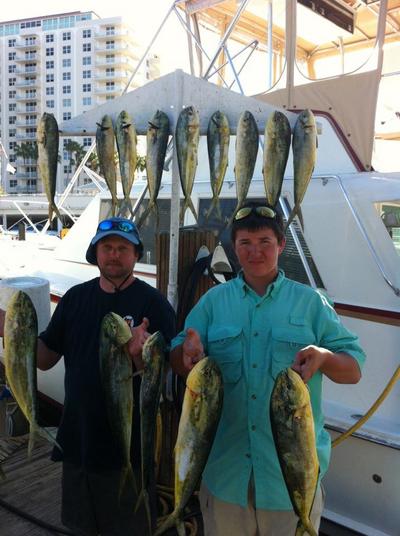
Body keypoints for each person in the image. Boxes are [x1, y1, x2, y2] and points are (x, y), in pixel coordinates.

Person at [170, 202, 366, 536]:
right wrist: (184, 354)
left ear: (281, 245)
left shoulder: (312, 303)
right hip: (225, 476)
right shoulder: (214, 302)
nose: (254, 252)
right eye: (245, 243)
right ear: (234, 247)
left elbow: (353, 369)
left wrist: (325, 357)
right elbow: (178, 355)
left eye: (264, 242)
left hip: (291, 482)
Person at [0, 216, 176, 536]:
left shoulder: (154, 304)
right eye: (106, 247)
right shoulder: (74, 298)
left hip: (130, 449)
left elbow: (164, 375)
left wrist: (140, 355)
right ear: (94, 253)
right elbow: (44, 359)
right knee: (80, 528)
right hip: (78, 441)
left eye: (123, 248)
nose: (114, 254)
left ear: (137, 255)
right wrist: (11, 330)